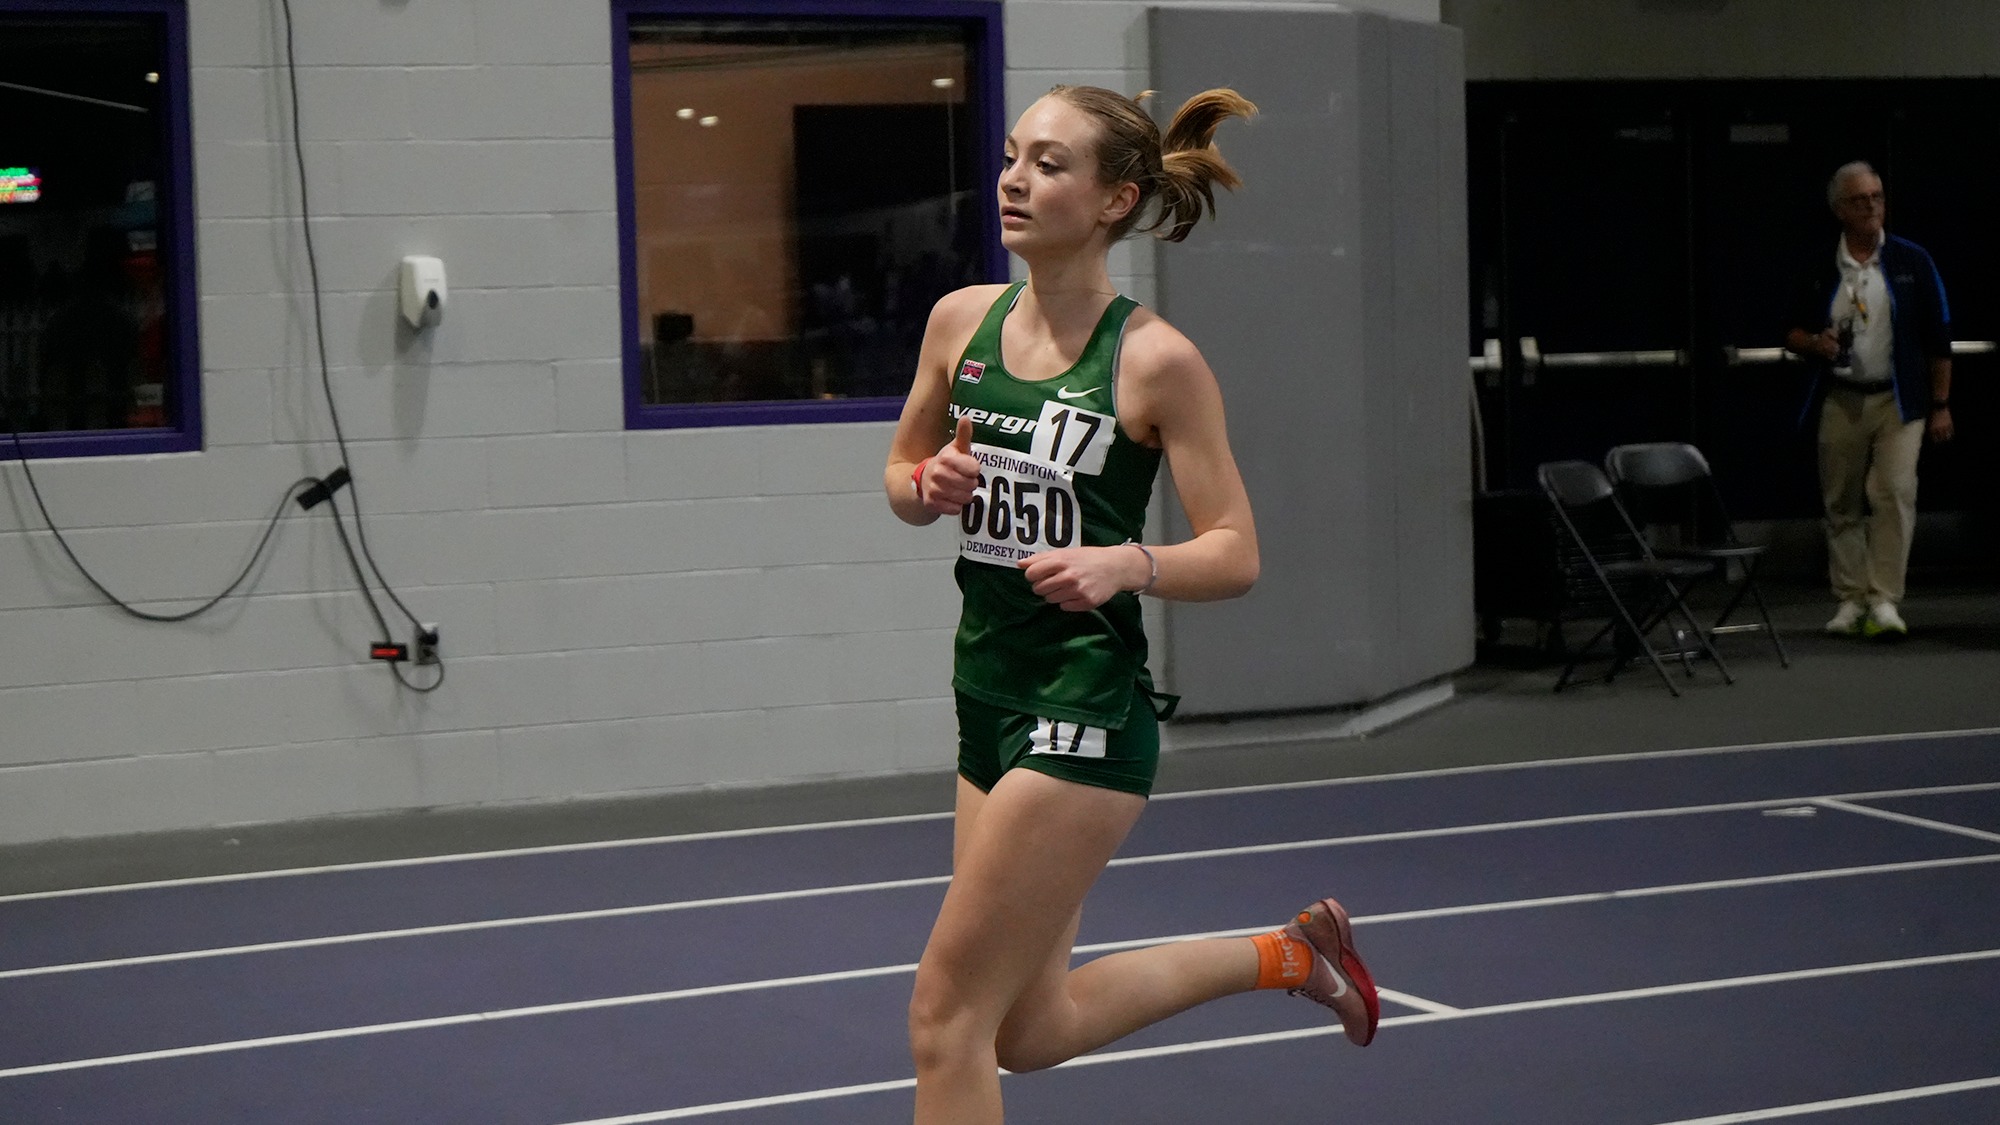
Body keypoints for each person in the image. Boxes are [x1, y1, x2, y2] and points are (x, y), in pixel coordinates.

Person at [883, 86, 1378, 1123]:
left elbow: (1234, 552)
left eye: (1049, 164)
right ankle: (1284, 956)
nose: (1015, 179)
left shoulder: (1154, 360)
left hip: (1085, 705)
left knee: (944, 1020)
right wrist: (927, 489)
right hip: (988, 693)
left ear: (1112, 201)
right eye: (1014, 156)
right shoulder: (957, 323)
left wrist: (1128, 564)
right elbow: (901, 473)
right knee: (1027, 1030)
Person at [1783, 161, 1953, 640]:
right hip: (1841, 397)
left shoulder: (1911, 262)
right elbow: (1791, 331)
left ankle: (1884, 599)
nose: (1871, 207)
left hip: (1899, 402)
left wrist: (1941, 404)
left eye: (1876, 197)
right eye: (1860, 200)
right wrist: (1814, 344)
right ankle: (1850, 598)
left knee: (1894, 492)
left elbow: (1939, 339)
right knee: (1841, 499)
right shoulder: (1821, 264)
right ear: (1839, 209)